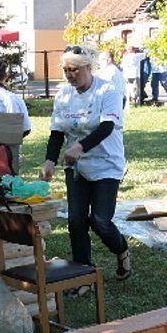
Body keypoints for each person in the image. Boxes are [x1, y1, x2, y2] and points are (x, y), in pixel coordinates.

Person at [40, 45, 132, 285]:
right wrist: (49, 161)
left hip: (106, 163)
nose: (69, 75)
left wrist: (79, 148)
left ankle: (121, 249)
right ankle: (83, 276)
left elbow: (106, 127)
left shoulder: (108, 91)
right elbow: (57, 132)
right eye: (66, 70)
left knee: (100, 221)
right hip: (77, 167)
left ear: (88, 67)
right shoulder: (64, 95)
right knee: (76, 221)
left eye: (74, 70)